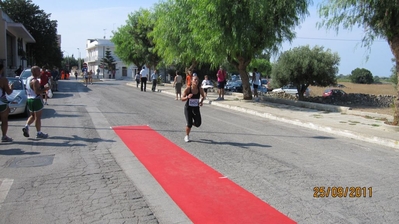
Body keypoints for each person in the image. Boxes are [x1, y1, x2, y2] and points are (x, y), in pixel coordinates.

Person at [22, 66, 49, 139]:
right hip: (36, 100)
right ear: (34, 72)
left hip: (29, 99)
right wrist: (45, 89)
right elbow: (37, 91)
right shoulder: (35, 81)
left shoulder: (28, 79)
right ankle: (39, 133)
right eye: (38, 71)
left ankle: (26, 126)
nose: (40, 72)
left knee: (32, 116)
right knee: (38, 117)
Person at [182, 75, 205, 142]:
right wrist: (187, 97)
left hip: (196, 108)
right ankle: (187, 136)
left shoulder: (200, 89)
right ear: (191, 81)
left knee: (198, 124)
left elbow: (203, 96)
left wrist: (201, 102)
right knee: (189, 124)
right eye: (195, 79)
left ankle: (190, 123)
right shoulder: (188, 89)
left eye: (197, 80)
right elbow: (182, 98)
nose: (196, 81)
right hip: (188, 108)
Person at [0, 64, 13, 142]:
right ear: (1, 69)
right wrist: (11, 87)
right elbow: (8, 92)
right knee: (4, 120)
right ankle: (4, 136)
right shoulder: (3, 80)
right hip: (2, 102)